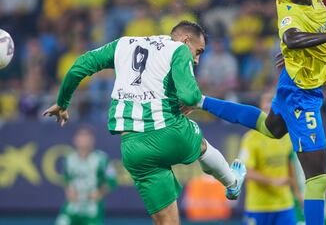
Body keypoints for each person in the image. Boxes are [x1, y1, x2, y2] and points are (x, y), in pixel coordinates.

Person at [191, 0, 326, 225]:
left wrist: (290, 55)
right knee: (319, 180)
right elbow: (293, 38)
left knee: (270, 128)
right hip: (301, 92)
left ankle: (200, 101)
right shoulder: (285, 5)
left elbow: (302, 38)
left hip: (296, 78)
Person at [43, 21, 246, 225]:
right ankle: (232, 182)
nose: (196, 59)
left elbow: (81, 65)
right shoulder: (179, 49)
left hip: (133, 148)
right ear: (186, 40)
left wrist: (62, 102)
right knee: (200, 144)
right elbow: (190, 96)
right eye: (198, 51)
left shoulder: (123, 45)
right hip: (168, 133)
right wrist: (191, 101)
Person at [239, 91, 299, 225]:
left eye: (273, 102)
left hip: (285, 205)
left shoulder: (288, 136)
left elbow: (291, 166)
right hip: (259, 206)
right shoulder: (251, 138)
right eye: (267, 101)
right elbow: (245, 171)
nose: (270, 105)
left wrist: (298, 194)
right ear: (260, 107)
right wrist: (273, 181)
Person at [55, 126, 117, 225]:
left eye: (86, 137)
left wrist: (100, 193)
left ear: (92, 140)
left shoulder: (101, 159)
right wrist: (68, 190)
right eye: (81, 137)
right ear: (75, 140)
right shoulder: (69, 159)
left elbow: (112, 181)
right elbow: (65, 179)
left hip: (92, 209)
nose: (83, 140)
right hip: (72, 207)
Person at [293, 139, 326, 225]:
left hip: (323, 203)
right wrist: (298, 195)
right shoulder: (294, 145)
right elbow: (290, 173)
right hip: (300, 204)